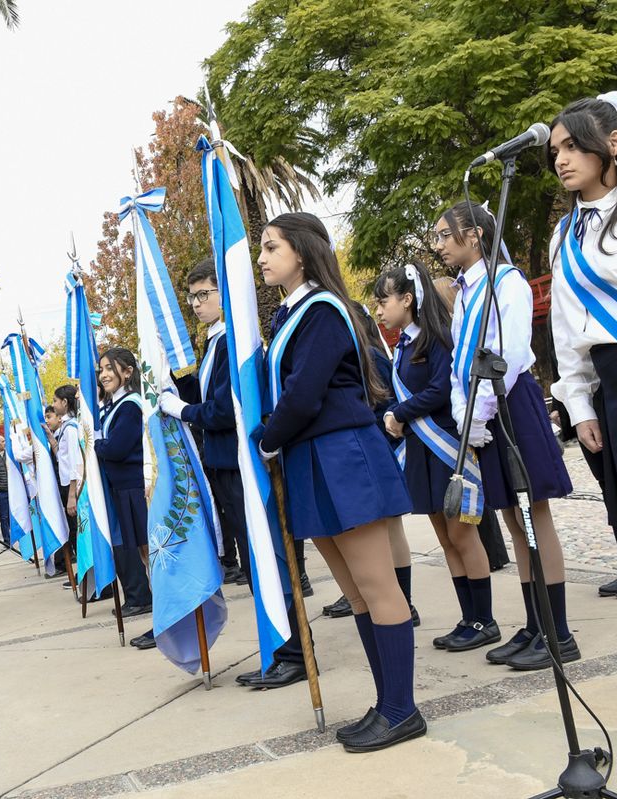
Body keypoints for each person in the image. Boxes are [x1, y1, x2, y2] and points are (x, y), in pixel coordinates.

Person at [256, 213, 421, 753]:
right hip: (311, 458)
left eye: (271, 246)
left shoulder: (323, 310)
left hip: (342, 453)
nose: (262, 257)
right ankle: (386, 701)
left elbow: (304, 394)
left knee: (377, 586)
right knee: (354, 593)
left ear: (301, 253)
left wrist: (264, 436)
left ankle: (402, 709)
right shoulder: (291, 315)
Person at [545, 94, 617, 721]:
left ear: (612, 144)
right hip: (614, 384)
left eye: (572, 146)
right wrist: (578, 399)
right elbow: (567, 326)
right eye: (556, 150)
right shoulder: (565, 234)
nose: (561, 159)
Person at [434, 200, 577, 672]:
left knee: (536, 516)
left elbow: (511, 354)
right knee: (515, 521)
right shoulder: (466, 292)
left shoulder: (506, 282)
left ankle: (558, 631)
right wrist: (464, 412)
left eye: (444, 234)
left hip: (510, 403)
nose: (438, 245)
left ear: (474, 235)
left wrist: (483, 409)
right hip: (485, 411)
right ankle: (536, 623)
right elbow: (461, 363)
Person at [159, 258, 315, 687]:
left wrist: (186, 410)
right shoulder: (214, 344)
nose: (196, 303)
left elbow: (227, 408)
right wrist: (173, 381)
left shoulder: (233, 342)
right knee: (252, 560)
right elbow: (208, 391)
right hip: (224, 465)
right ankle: (280, 648)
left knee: (268, 556)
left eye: (204, 294)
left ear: (223, 295)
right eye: (191, 297)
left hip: (242, 463)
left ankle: (295, 651)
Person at [375, 261, 497, 652]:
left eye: (383, 300)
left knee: (463, 533)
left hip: (445, 447)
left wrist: (399, 414)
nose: (379, 310)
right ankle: (468, 618)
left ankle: (485, 619)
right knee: (445, 538)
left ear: (407, 299)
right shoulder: (404, 345)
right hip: (421, 452)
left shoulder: (436, 338)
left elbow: (440, 391)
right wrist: (392, 415)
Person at [94, 349, 154, 627]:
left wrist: (97, 444)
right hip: (123, 489)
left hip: (135, 488)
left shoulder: (130, 404)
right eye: (101, 369)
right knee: (143, 555)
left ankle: (164, 614)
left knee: (150, 553)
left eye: (110, 369)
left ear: (127, 372)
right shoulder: (115, 405)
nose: (104, 375)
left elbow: (117, 448)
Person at [51, 386, 83, 581]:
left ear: (65, 402)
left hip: (71, 487)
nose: (53, 405)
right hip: (65, 485)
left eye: (55, 401)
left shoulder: (71, 429)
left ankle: (87, 573)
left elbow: (73, 463)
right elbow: (62, 457)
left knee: (77, 531)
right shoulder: (65, 426)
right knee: (73, 531)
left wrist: (72, 495)